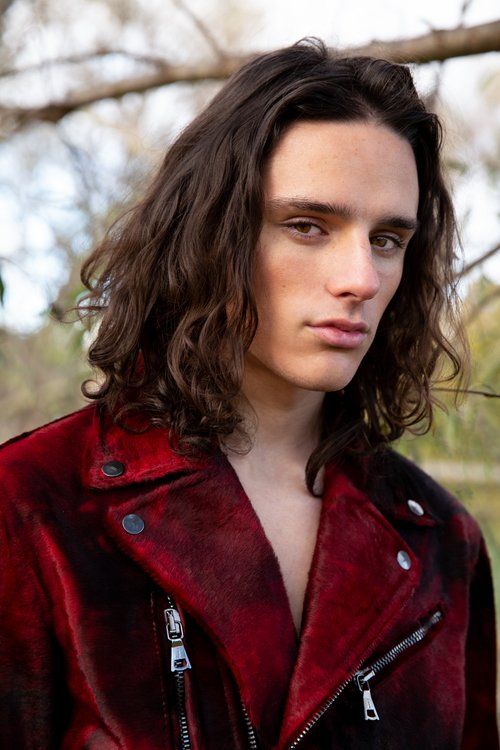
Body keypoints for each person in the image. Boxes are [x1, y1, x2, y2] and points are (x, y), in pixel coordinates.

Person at [0, 38, 497, 750]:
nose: (360, 276)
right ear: (211, 234)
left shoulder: (439, 544)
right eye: (307, 226)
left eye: (388, 239)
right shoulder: (34, 506)